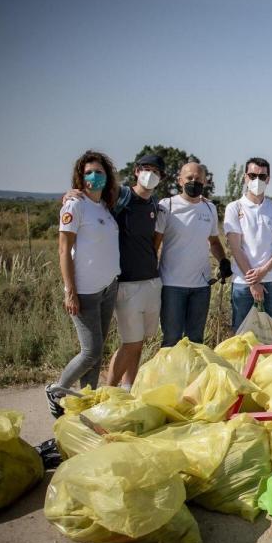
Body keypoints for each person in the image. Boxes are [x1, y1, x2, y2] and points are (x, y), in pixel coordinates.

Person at [48, 151, 121, 417]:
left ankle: (84, 402)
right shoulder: (74, 205)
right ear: (81, 177)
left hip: (107, 288)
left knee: (97, 352)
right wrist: (70, 292)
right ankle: (57, 390)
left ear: (107, 176)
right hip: (84, 292)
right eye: (88, 172)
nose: (94, 176)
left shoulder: (104, 206)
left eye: (99, 172)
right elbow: (63, 251)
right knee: (90, 352)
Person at [154, 162, 231, 347]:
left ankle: (192, 376)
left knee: (196, 340)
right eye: (189, 178)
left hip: (201, 287)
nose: (194, 182)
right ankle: (169, 377)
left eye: (198, 179)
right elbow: (154, 245)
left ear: (205, 181)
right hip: (172, 285)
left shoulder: (209, 208)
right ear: (180, 180)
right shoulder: (167, 206)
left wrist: (223, 260)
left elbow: (213, 241)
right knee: (171, 339)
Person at [106, 153, 165, 389]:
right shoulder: (120, 195)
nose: (150, 174)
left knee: (139, 342)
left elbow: (154, 242)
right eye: (146, 168)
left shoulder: (155, 204)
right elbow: (88, 200)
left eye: (156, 171)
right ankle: (108, 393)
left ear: (161, 177)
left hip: (151, 280)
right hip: (126, 282)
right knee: (130, 342)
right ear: (136, 171)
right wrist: (72, 195)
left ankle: (128, 389)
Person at [224, 157, 272, 344]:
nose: (257, 180)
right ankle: (244, 374)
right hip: (244, 283)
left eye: (262, 176)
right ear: (245, 177)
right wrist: (253, 281)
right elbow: (236, 248)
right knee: (243, 336)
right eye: (252, 175)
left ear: (268, 179)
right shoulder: (234, 208)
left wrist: (264, 271)